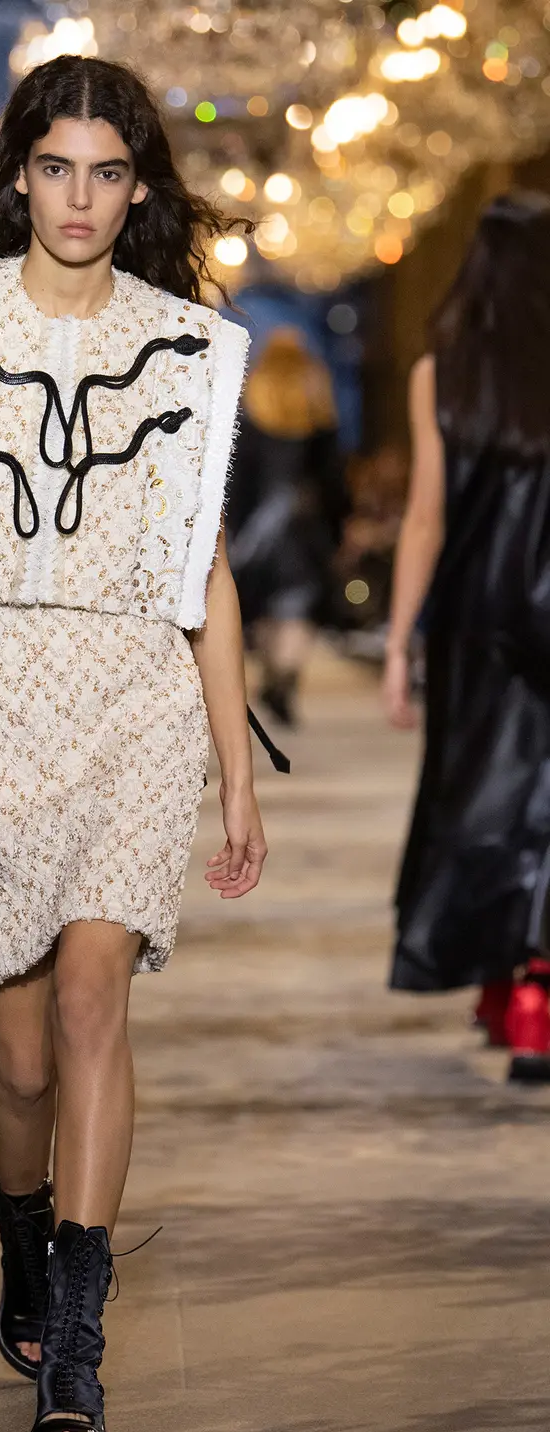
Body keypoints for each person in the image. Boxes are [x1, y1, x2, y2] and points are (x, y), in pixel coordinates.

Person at [0, 56, 268, 1432]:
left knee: (93, 1003)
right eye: (55, 167)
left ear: (137, 189)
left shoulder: (187, 347)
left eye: (107, 172)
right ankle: (20, 1226)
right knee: (16, 1059)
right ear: (18, 174)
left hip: (137, 698)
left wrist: (235, 770)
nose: (79, 197)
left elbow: (203, 568)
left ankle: (75, 1356)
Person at [382, 193, 550, 1083]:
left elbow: (426, 518)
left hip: (474, 621)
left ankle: (502, 986)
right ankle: (534, 998)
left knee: (483, 799)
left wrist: (400, 642)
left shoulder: (441, 372)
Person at [228, 327, 346, 727]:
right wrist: (338, 525)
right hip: (304, 528)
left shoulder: (247, 414)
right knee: (297, 607)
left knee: (264, 607)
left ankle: (272, 674)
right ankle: (285, 678)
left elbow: (236, 480)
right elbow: (333, 480)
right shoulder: (317, 415)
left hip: (257, 530)